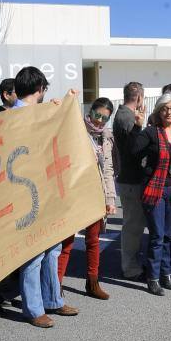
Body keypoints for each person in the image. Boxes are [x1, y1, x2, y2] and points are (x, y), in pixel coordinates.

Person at [12, 66, 78, 327]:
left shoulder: (32, 113)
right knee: (34, 252)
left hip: (44, 189)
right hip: (26, 194)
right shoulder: (15, 117)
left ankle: (52, 299)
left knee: (52, 247)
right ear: (40, 89)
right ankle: (34, 308)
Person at [129, 92, 171, 296]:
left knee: (169, 236)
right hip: (155, 189)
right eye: (165, 108)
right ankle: (153, 278)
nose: (169, 112)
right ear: (158, 111)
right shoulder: (150, 132)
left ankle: (167, 275)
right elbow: (134, 152)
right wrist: (138, 127)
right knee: (156, 236)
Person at [58, 98, 116, 299]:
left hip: (96, 193)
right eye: (97, 115)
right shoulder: (76, 129)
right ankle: (56, 284)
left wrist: (110, 198)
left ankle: (92, 282)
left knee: (93, 240)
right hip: (75, 192)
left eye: (104, 118)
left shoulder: (106, 136)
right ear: (90, 111)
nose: (99, 121)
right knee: (66, 242)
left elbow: (108, 169)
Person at [113, 82, 147, 280]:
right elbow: (133, 148)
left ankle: (132, 265)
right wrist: (140, 126)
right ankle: (131, 268)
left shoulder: (123, 114)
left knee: (133, 225)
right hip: (131, 179)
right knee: (133, 227)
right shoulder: (128, 117)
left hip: (129, 178)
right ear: (140, 98)